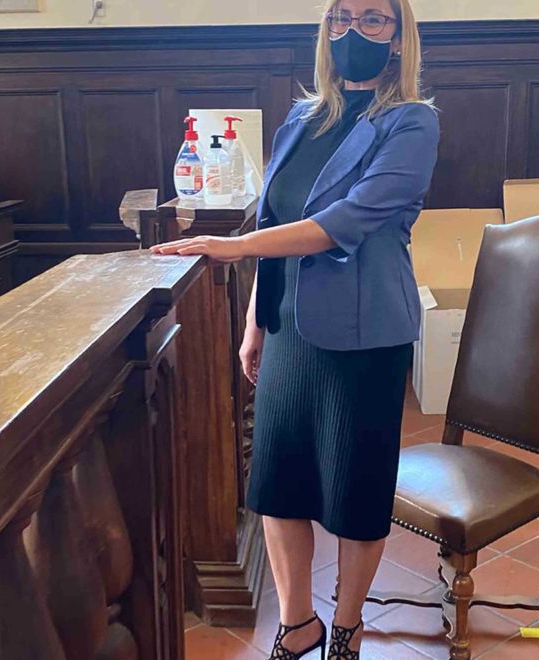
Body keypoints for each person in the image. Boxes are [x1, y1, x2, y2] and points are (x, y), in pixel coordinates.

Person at [152, 0, 437, 656]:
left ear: (398, 38)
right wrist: (257, 320)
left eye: (373, 19)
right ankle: (298, 622)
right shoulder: (301, 119)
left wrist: (234, 248)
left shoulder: (411, 122)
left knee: (355, 492)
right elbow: (274, 221)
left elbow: (346, 222)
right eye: (341, 17)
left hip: (364, 336)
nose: (353, 31)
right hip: (288, 331)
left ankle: (348, 627)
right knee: (277, 487)